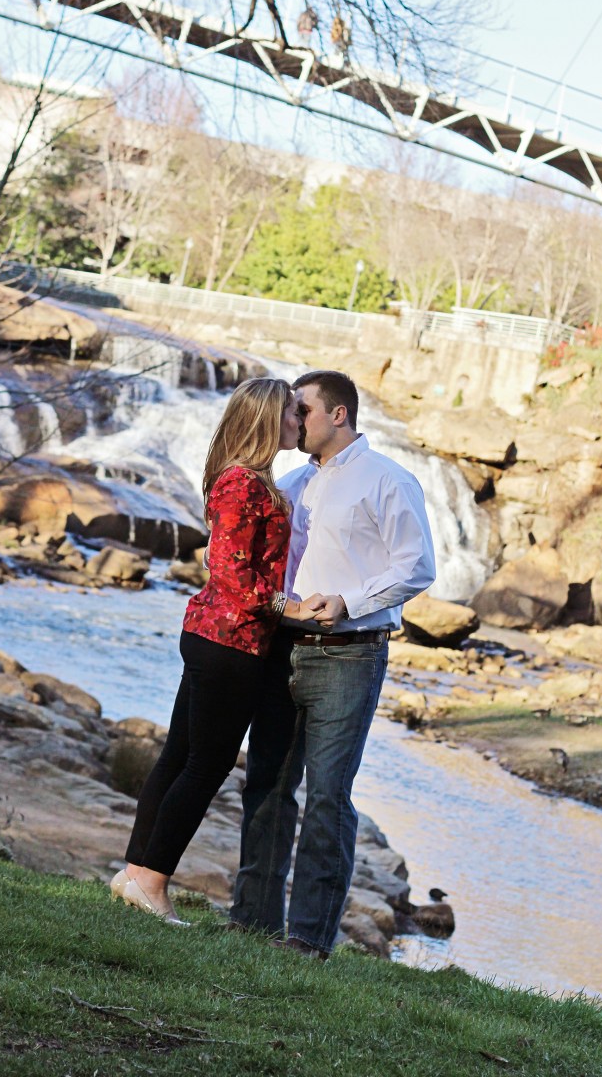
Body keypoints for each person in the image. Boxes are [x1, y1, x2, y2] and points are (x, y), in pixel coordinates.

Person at [230, 370, 436, 957]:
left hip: (350, 655)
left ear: (338, 414)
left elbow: (416, 566)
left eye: (303, 409)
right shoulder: (290, 483)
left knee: (326, 795)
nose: (292, 420)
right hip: (281, 650)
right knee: (267, 784)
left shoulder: (389, 480)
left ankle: (308, 939)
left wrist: (350, 601)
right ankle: (251, 921)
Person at [111, 377, 324, 924]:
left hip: (215, 636)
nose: (299, 422)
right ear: (267, 419)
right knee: (205, 766)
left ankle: (135, 874)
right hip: (230, 640)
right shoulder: (243, 483)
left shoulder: (246, 479)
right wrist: (289, 606)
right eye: (292, 412)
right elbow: (229, 571)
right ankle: (153, 881)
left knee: (179, 757)